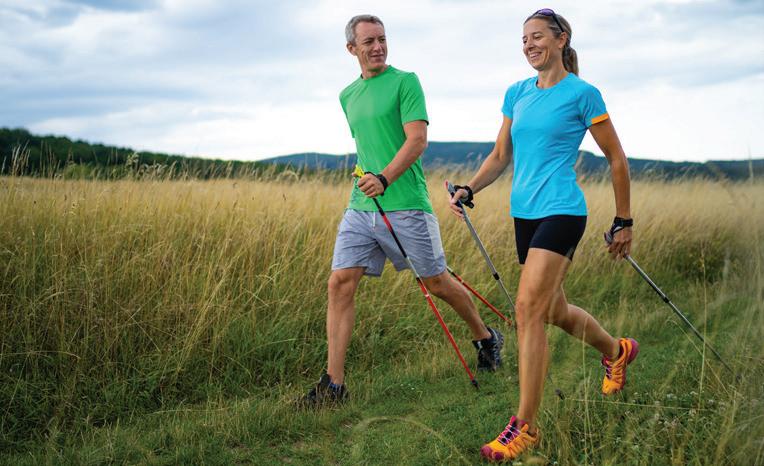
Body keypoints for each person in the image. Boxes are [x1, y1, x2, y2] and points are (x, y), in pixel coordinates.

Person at [448, 9, 638, 462]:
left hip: (563, 211)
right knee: (552, 310)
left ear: (561, 39)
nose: (529, 45)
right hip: (525, 215)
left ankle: (525, 427)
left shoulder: (583, 94)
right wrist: (469, 188)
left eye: (537, 37)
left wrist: (624, 220)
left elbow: (616, 158)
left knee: (527, 309)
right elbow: (500, 155)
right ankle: (616, 351)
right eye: (524, 39)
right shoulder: (516, 93)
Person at [302, 14, 504, 406]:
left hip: (407, 204)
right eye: (368, 42)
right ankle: (334, 386)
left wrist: (385, 177)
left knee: (437, 282)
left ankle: (485, 337)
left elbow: (417, 140)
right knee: (339, 282)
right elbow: (368, 145)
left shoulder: (405, 82)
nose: (378, 47)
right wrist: (369, 178)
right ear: (351, 49)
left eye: (382, 39)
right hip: (362, 205)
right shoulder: (347, 95)